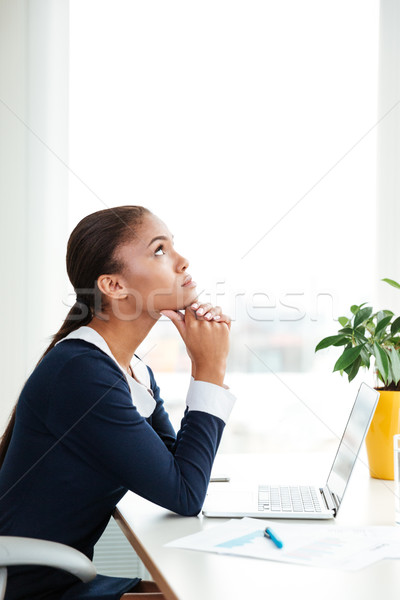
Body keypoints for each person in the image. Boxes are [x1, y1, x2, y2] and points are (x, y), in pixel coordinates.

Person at [0, 206, 235, 600]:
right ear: (113, 285)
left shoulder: (129, 370)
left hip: (63, 581)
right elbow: (185, 494)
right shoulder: (81, 373)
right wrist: (208, 371)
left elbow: (176, 470)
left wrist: (206, 369)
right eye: (159, 250)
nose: (181, 260)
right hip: (31, 589)